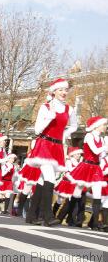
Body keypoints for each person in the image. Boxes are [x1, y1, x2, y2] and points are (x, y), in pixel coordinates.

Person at [25, 78, 77, 226]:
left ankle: (31, 215)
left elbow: (74, 126)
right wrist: (50, 117)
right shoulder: (46, 107)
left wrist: (63, 135)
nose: (64, 92)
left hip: (57, 147)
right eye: (60, 89)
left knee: (42, 180)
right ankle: (47, 216)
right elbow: (37, 130)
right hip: (44, 145)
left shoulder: (70, 109)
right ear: (54, 91)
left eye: (66, 90)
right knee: (49, 178)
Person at [66, 116, 107, 230]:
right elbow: (95, 150)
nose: (105, 127)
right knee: (77, 192)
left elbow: (101, 155)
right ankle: (70, 216)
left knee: (97, 195)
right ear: (97, 125)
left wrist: (105, 150)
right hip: (86, 166)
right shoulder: (89, 136)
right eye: (104, 125)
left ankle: (93, 224)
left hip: (96, 168)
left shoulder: (102, 139)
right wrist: (105, 147)